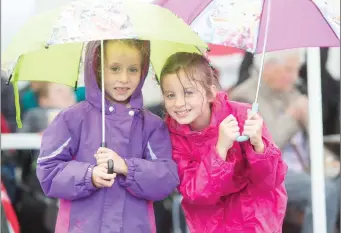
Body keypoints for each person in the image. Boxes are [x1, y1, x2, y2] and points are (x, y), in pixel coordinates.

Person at [36, 39, 179, 233]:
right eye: (114, 68)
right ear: (97, 69)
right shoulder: (71, 119)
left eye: (133, 69)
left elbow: (167, 179)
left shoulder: (151, 125)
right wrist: (89, 175)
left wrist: (128, 167)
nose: (124, 78)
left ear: (143, 71)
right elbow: (48, 172)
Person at [159, 52, 288, 233]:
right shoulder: (171, 136)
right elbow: (195, 193)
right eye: (170, 95)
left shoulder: (243, 116)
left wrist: (259, 146)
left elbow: (271, 181)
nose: (179, 103)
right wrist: (220, 150)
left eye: (188, 92)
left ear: (211, 92)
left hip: (256, 222)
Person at [229, 48, 340, 233]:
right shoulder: (245, 97)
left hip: (305, 167)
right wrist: (291, 116)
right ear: (269, 67)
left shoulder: (290, 91)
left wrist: (310, 115)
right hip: (269, 173)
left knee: (331, 184)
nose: (295, 76)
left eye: (297, 69)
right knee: (323, 190)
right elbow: (264, 148)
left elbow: (314, 136)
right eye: (289, 70)